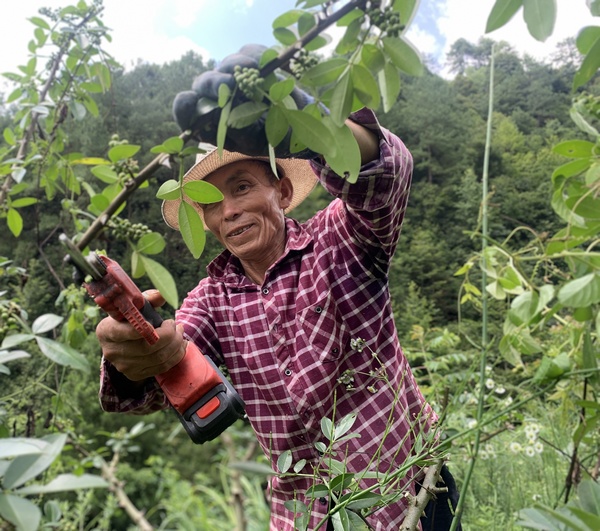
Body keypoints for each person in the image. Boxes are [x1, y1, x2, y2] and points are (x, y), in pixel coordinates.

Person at [96, 46, 460, 530]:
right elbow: (156, 378)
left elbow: (387, 176)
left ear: (283, 193)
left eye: (243, 186)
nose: (228, 210)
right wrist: (141, 353)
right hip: (306, 516)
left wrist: (317, 133)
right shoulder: (211, 299)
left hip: (408, 488)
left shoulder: (340, 240)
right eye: (212, 203)